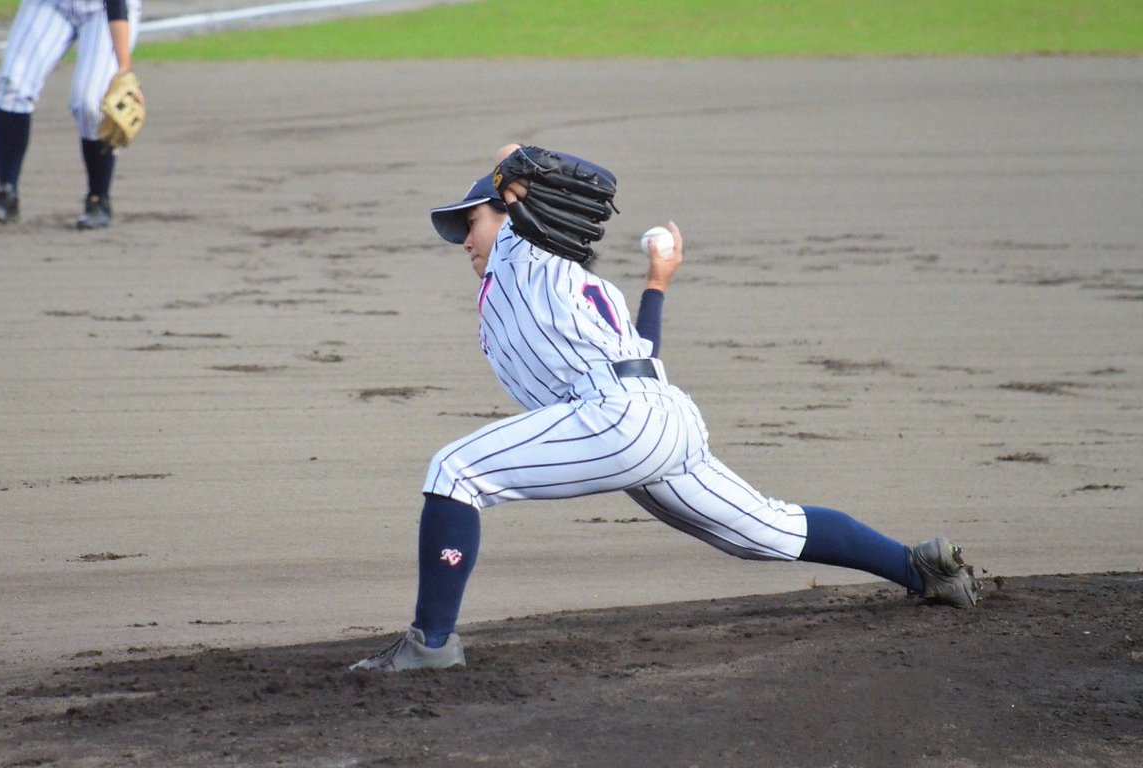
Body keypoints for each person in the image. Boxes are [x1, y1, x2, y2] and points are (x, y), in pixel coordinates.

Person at [350, 145, 978, 672]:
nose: (464, 239)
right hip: (653, 415)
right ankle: (920, 567)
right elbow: (643, 355)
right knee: (765, 531)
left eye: (472, 221)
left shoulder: (526, 249)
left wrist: (511, 168)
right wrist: (657, 282)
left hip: (620, 417)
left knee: (456, 471)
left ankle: (430, 645)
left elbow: (558, 173)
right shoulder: (555, 287)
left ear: (509, 211)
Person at [0, 0, 142, 231]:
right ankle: (6, 193)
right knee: (13, 83)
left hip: (104, 10)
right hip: (49, 4)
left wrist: (124, 68)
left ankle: (98, 200)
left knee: (90, 101)